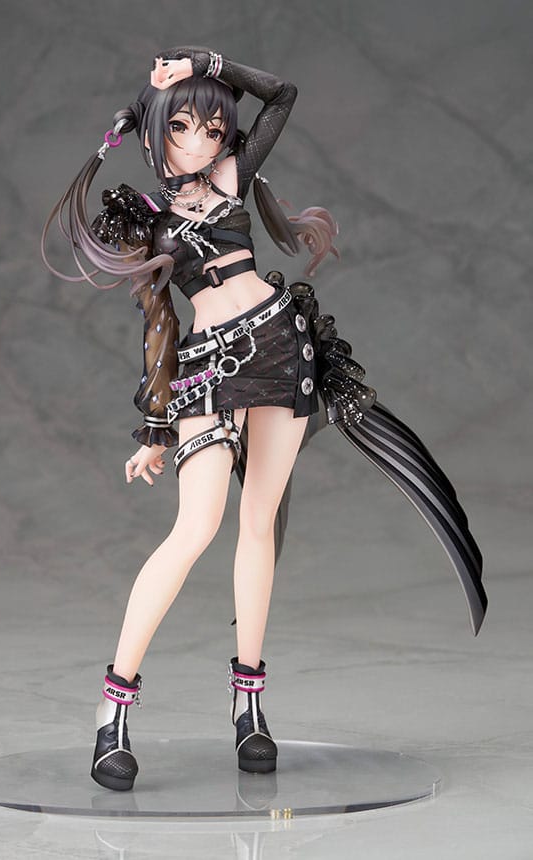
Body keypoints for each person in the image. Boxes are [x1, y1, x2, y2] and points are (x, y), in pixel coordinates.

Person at [42, 47, 486, 792]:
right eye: (182, 127)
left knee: (259, 524)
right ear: (155, 131)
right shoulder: (145, 217)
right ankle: (112, 709)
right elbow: (159, 323)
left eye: (214, 129)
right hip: (209, 370)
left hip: (283, 348)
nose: (200, 141)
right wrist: (156, 426)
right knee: (194, 528)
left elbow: (282, 94)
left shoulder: (231, 179)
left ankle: (249, 702)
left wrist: (207, 61)